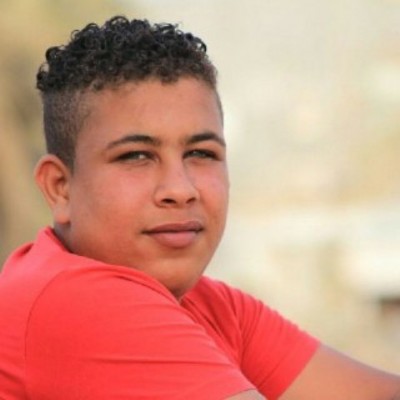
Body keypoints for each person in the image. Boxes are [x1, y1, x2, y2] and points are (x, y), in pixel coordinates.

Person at [0, 16, 398, 400]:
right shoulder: (72, 302)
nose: (180, 189)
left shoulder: (213, 307)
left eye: (201, 153)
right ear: (60, 188)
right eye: (136, 156)